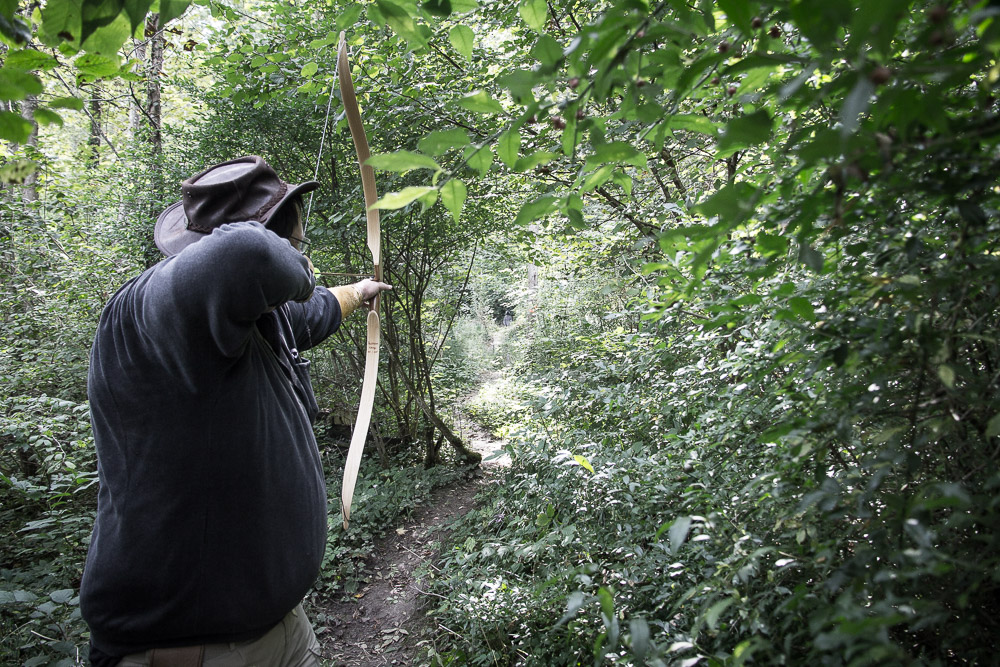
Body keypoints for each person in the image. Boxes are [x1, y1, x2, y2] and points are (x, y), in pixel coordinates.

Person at [80, 156, 391, 667]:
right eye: (295, 232)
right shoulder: (151, 308)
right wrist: (296, 263)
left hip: (279, 630)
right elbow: (248, 254)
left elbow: (310, 314)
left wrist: (358, 292)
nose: (300, 242)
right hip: (191, 651)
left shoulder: (248, 318)